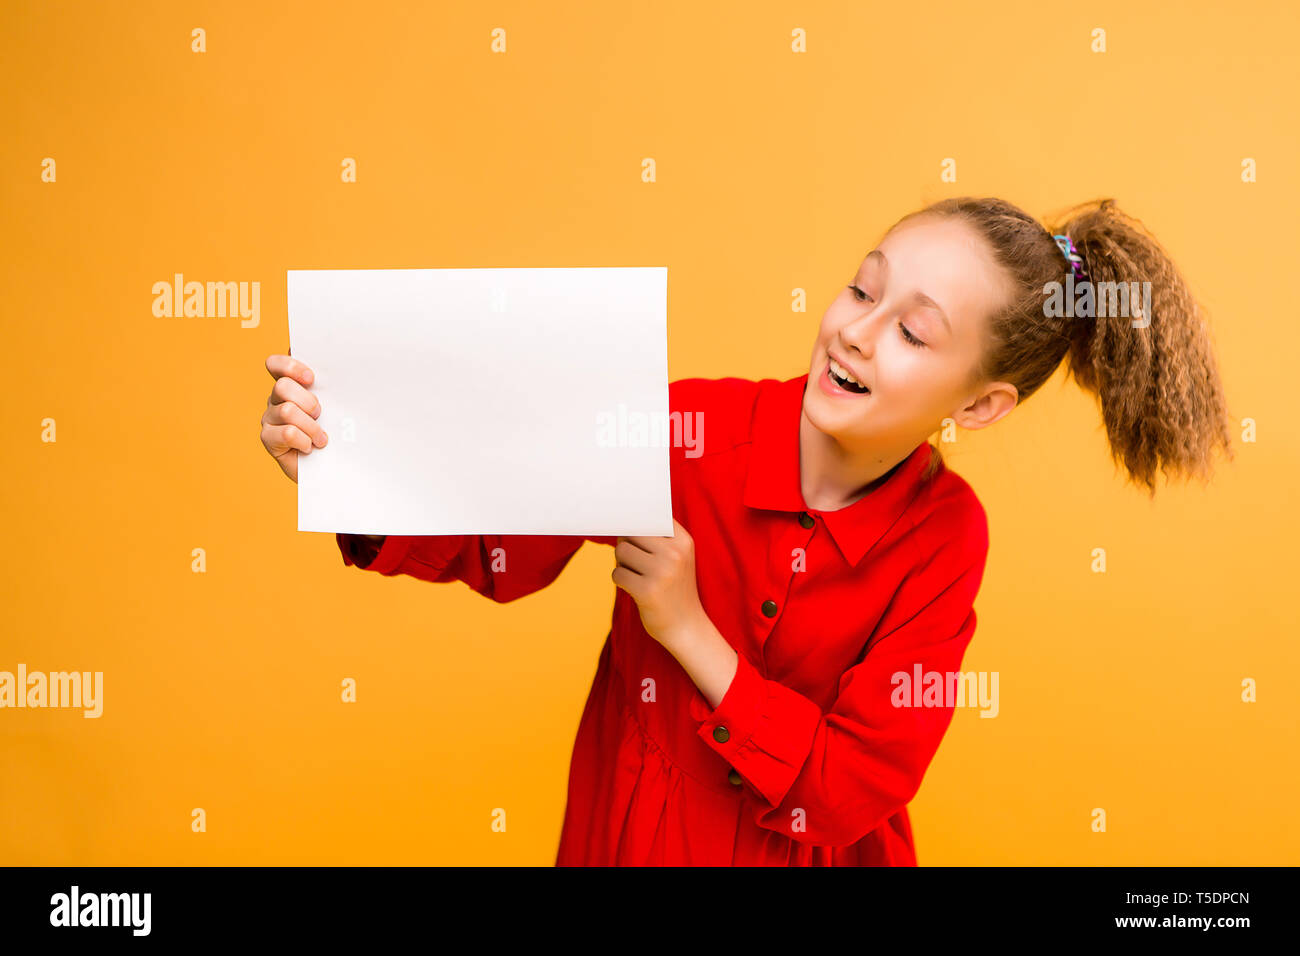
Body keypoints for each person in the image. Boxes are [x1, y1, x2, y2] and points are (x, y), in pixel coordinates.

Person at [260, 196, 1232, 865]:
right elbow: (505, 545)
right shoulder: (690, 427)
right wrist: (347, 465)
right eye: (861, 288)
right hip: (629, 837)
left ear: (977, 407)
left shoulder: (944, 539)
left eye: (911, 330)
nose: (853, 329)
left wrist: (689, 631)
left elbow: (853, 783)